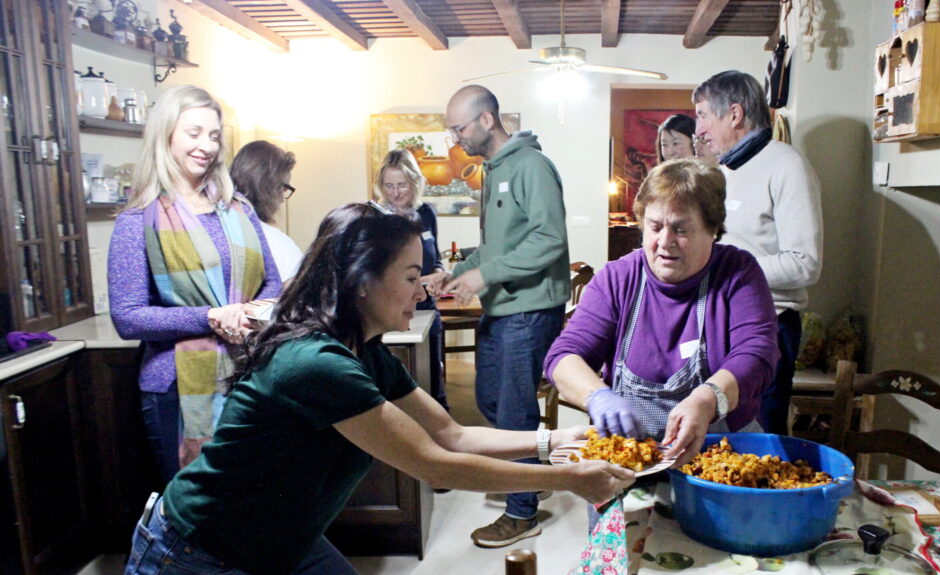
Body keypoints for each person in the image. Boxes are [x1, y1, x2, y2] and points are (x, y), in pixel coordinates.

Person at [123, 204, 635, 575]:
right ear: (361, 280)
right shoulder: (315, 363)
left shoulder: (363, 350)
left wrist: (556, 444)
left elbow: (453, 436)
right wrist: (571, 480)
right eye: (411, 276)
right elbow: (436, 465)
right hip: (197, 551)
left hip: (284, 541)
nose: (423, 289)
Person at [545, 158, 779, 467]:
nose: (664, 242)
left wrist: (707, 399)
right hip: (627, 461)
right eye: (654, 227)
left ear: (712, 229)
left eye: (681, 229)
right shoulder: (618, 279)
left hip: (719, 459)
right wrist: (596, 396)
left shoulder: (738, 273)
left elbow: (757, 354)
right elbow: (563, 357)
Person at [109, 85, 282, 484]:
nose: (206, 145)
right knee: (199, 505)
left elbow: (272, 281)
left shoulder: (239, 208)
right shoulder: (138, 220)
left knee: (256, 495)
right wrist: (210, 317)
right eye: (194, 132)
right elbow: (128, 318)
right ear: (165, 134)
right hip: (176, 388)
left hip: (249, 372)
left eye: (214, 135)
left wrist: (247, 314)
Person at [424, 84, 570, 548]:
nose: (455, 137)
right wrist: (452, 274)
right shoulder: (494, 170)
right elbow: (494, 248)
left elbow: (549, 240)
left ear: (487, 120)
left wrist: (485, 275)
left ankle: (522, 512)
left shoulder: (532, 166)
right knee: (490, 401)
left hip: (529, 313)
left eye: (459, 127)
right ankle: (532, 474)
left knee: (512, 414)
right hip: (504, 311)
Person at [693, 70, 823, 435]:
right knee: (719, 438)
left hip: (769, 325)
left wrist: (722, 269)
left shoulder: (787, 166)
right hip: (722, 323)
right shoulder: (728, 170)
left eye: (704, 115)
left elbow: (805, 264)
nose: (699, 129)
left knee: (760, 438)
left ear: (734, 114)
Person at [373, 149, 448, 410]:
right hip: (390, 313)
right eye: (388, 186)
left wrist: (438, 272)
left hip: (426, 308)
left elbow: (435, 256)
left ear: (414, 183)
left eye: (402, 185)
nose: (395, 193)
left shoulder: (426, 214)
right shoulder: (375, 217)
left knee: (432, 381)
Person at [230, 140, 303, 285]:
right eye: (284, 188)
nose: (283, 198)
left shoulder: (202, 228)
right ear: (268, 187)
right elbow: (294, 303)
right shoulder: (281, 246)